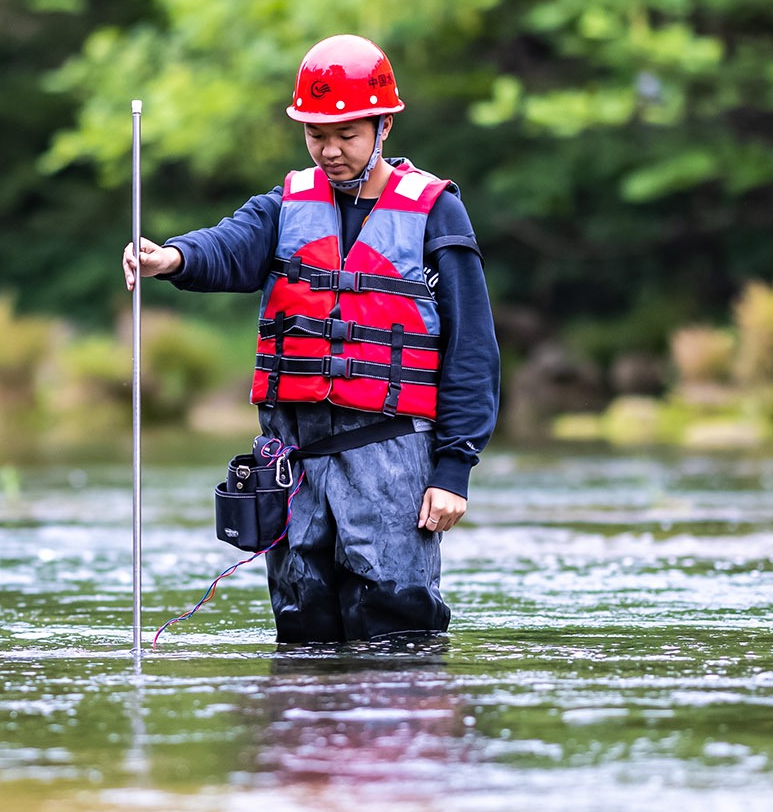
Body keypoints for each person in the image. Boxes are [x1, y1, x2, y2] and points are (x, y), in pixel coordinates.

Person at [123, 35, 501, 643]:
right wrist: (170, 257)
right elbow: (231, 245)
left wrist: (454, 469)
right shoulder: (286, 204)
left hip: (391, 459)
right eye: (315, 134)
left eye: (346, 134)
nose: (329, 150)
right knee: (302, 630)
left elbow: (472, 350)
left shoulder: (436, 213)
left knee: (393, 629)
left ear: (383, 126)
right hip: (292, 462)